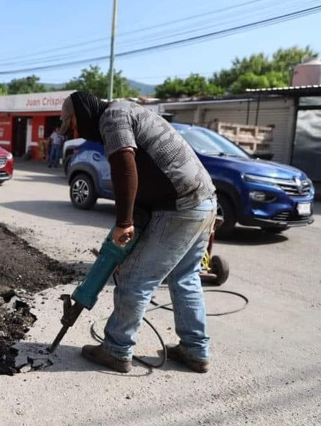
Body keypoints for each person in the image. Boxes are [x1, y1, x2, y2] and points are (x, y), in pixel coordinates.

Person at [59, 91, 217, 373]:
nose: (77, 133)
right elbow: (150, 171)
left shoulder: (112, 117)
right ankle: (195, 350)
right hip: (202, 201)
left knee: (134, 277)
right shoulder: (129, 111)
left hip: (179, 206)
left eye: (73, 126)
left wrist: (123, 222)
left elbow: (125, 167)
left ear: (82, 114)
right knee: (185, 276)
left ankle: (116, 350)